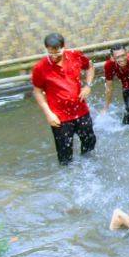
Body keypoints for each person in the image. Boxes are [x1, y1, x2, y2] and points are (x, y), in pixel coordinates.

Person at [31, 33, 97, 165]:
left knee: (90, 142)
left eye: (58, 52)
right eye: (51, 53)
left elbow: (90, 66)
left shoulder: (75, 56)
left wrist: (88, 86)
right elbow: (37, 92)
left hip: (81, 111)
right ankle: (69, 177)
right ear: (47, 49)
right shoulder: (40, 68)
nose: (54, 56)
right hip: (59, 118)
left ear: (64, 47)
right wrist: (48, 114)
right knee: (64, 155)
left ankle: (88, 167)